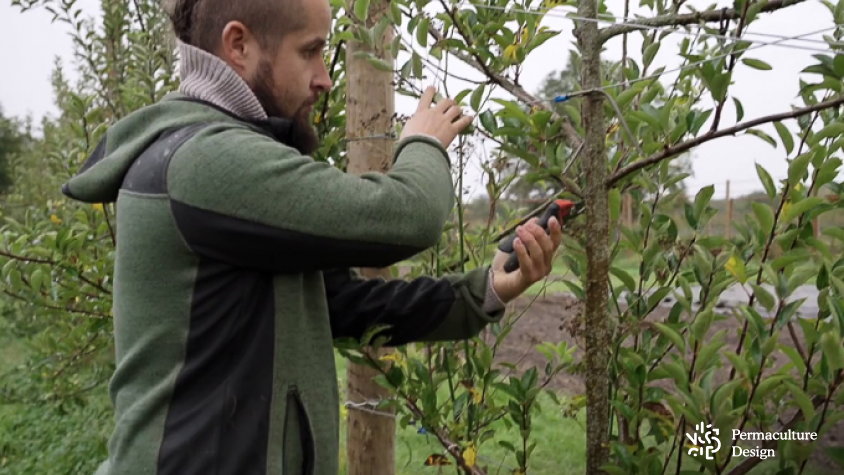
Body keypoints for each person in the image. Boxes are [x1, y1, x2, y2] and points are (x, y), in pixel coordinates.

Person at [62, 0, 564, 473]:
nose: (324, 78)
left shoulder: (226, 159)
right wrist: (423, 144)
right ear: (238, 45)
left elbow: (342, 305)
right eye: (310, 51)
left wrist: (488, 290)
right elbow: (410, 215)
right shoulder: (205, 161)